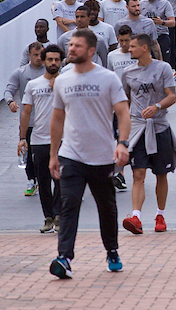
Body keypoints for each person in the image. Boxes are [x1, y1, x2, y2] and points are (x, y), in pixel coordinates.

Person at [48, 29, 132, 279]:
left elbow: (123, 113)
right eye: (70, 45)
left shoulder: (108, 78)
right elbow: (57, 118)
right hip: (71, 155)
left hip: (102, 156)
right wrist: (54, 154)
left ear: (91, 51)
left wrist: (122, 143)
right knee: (69, 205)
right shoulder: (62, 80)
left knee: (107, 209)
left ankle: (112, 250)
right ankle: (64, 258)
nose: (71, 49)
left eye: (77, 46)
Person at [120, 34, 176, 235]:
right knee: (138, 173)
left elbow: (172, 96)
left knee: (161, 173)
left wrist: (156, 106)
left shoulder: (162, 68)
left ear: (145, 48)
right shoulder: (128, 72)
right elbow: (125, 101)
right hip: (138, 129)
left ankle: (160, 214)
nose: (129, 49)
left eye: (133, 46)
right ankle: (136, 216)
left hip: (159, 128)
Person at [20, 44, 64, 234]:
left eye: (57, 60)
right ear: (43, 61)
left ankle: (59, 216)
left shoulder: (68, 82)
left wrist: (61, 84)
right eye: (50, 59)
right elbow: (26, 112)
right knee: (43, 182)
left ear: (61, 62)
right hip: (39, 140)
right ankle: (48, 217)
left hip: (63, 141)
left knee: (61, 181)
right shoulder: (33, 84)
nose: (53, 63)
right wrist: (22, 138)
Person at [8, 43, 46, 197]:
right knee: (28, 153)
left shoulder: (51, 72)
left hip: (46, 121)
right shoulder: (21, 72)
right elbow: (9, 89)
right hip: (28, 120)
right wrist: (10, 101)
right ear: (29, 55)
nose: (38, 58)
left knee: (46, 153)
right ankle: (31, 179)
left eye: (40, 55)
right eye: (35, 55)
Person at [142, 0, 176, 69]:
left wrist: (162, 22)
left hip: (161, 35)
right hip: (146, 38)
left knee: (164, 63)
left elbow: (172, 22)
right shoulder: (141, 4)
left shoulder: (165, 3)